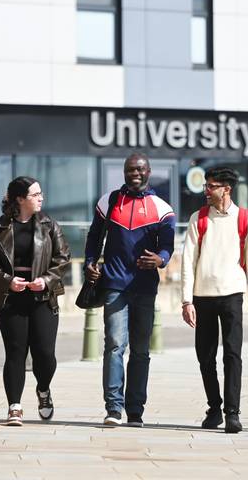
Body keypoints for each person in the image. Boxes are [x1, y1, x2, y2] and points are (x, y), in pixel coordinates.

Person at [84, 152, 175, 427]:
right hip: (114, 284)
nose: (134, 174)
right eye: (129, 170)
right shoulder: (108, 201)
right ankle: (113, 408)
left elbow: (167, 246)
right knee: (114, 345)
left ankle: (135, 410)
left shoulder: (162, 208)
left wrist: (161, 260)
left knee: (140, 350)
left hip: (145, 287)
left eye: (139, 170)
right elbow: (94, 236)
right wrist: (90, 261)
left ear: (148, 172)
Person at [0, 176, 70, 426]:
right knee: (16, 353)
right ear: (20, 199)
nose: (41, 198)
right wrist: (7, 280)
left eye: (41, 193)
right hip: (11, 298)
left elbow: (63, 257)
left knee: (45, 354)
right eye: (35, 194)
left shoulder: (49, 225)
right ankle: (14, 407)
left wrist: (47, 280)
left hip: (43, 297)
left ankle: (43, 389)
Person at [181, 167, 248, 434]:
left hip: (232, 295)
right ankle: (214, 408)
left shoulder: (245, 220)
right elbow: (187, 262)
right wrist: (186, 300)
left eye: (211, 186)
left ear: (226, 189)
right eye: (206, 185)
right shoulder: (199, 218)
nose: (206, 190)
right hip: (202, 296)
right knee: (205, 356)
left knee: (232, 355)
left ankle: (232, 413)